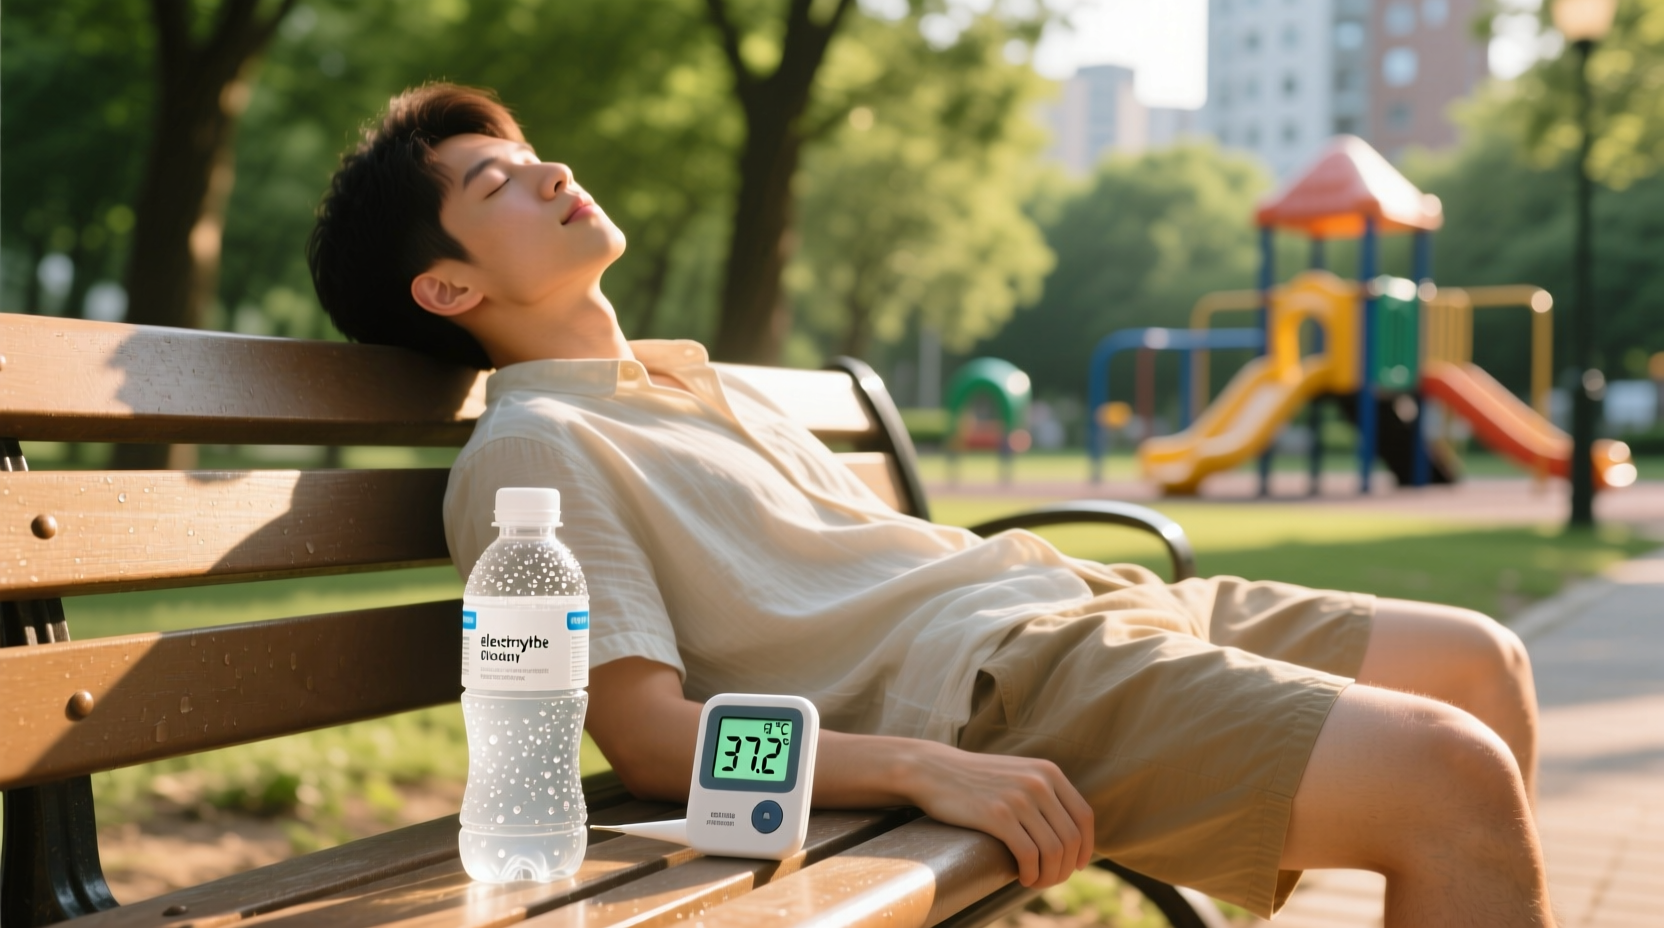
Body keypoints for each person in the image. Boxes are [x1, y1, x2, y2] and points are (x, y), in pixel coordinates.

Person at [308, 83, 1554, 926]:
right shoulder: (536, 452)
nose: (551, 172)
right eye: (495, 184)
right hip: (998, 685)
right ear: (446, 290)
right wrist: (923, 768)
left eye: (529, 158)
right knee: (1449, 777)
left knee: (1481, 665)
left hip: (1075, 601)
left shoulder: (691, 383)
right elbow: (645, 740)